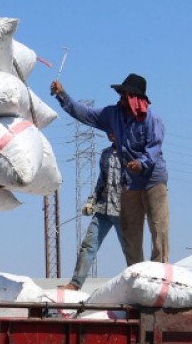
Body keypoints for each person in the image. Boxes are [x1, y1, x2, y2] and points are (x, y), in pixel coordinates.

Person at [51, 73, 169, 265]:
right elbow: (85, 114)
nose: (120, 99)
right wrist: (62, 95)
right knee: (130, 228)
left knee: (158, 226)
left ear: (135, 99)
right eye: (121, 95)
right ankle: (136, 271)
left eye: (124, 96)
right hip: (130, 181)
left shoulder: (151, 120)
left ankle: (161, 270)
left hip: (152, 180)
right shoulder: (113, 115)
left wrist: (141, 163)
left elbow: (154, 148)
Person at [63, 135, 127, 290]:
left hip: (124, 211)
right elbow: (102, 181)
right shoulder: (105, 154)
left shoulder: (131, 152)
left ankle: (139, 283)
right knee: (88, 245)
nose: (110, 134)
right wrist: (91, 201)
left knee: (130, 250)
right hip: (103, 209)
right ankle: (75, 283)